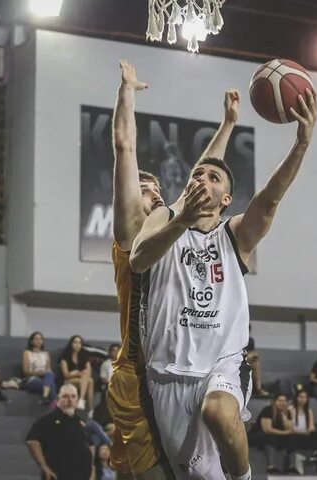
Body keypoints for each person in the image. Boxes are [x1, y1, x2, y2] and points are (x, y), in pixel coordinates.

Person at [130, 86, 317, 479]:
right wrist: (180, 219)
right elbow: (139, 259)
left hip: (224, 363)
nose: (202, 178)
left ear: (226, 198)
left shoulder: (233, 235)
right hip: (166, 377)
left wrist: (301, 144)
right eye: (197, 173)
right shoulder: (164, 219)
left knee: (218, 410)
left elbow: (269, 200)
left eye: (213, 176)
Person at [107, 60, 241, 479]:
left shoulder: (170, 223)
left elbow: (198, 184)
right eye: (145, 190)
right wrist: (126, 93)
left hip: (170, 376)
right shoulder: (133, 229)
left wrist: (228, 125)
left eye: (158, 191)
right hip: (142, 378)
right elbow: (125, 147)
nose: (155, 196)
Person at [26, 384, 95, 480]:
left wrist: (92, 469)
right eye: (65, 396)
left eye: (73, 396)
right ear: (58, 399)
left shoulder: (80, 421)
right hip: (58, 475)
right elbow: (32, 441)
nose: (70, 400)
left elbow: (90, 445)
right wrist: (43, 466)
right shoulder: (47, 419)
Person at [249, 393, 293, 473]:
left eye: (284, 401)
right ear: (275, 401)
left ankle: (289, 466)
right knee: (270, 437)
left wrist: (284, 416)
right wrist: (285, 433)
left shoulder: (287, 412)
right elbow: (267, 429)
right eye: (279, 400)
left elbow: (289, 428)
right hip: (257, 435)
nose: (282, 403)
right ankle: (271, 466)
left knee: (291, 439)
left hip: (276, 436)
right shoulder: (268, 410)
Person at [287, 389, 317, 473]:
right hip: (294, 435)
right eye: (301, 397)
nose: (303, 399)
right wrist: (303, 432)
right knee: (290, 436)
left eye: (305, 397)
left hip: (305, 435)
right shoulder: (290, 409)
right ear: (296, 398)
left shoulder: (309, 411)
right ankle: (293, 463)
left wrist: (307, 432)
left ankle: (315, 454)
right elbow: (290, 427)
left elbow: (311, 427)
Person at [60, 335, 94, 412]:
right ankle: (88, 407)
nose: (77, 345)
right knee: (89, 380)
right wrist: (78, 373)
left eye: (79, 343)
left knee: (90, 380)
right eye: (75, 342)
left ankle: (86, 405)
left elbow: (89, 372)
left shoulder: (84, 356)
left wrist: (76, 373)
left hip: (82, 380)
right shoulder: (65, 357)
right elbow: (66, 375)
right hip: (68, 380)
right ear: (71, 344)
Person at [22, 331, 57, 405]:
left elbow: (48, 370)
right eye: (36, 339)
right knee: (51, 384)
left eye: (40, 339)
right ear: (31, 341)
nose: (39, 341)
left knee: (50, 374)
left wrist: (46, 373)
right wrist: (41, 373)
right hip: (31, 379)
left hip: (45, 379)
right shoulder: (27, 353)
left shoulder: (46, 354)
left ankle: (45, 396)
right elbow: (25, 372)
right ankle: (53, 404)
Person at [246, 325, 269, 397]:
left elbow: (252, 353)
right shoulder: (235, 339)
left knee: (256, 363)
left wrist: (254, 355)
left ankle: (258, 388)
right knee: (255, 363)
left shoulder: (250, 340)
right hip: (234, 359)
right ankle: (258, 388)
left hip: (246, 359)